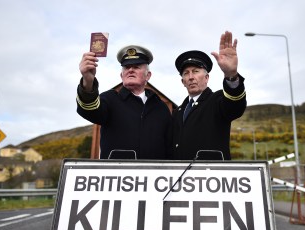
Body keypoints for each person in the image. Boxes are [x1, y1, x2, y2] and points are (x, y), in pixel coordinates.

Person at [76, 45, 172, 159]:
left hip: (154, 175)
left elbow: (170, 145)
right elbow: (89, 109)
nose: (130, 70)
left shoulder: (160, 107)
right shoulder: (109, 99)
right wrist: (88, 80)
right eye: (126, 67)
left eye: (136, 67)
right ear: (122, 75)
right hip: (115, 175)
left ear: (148, 75)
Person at [172, 31, 247, 160]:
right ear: (182, 81)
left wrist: (231, 75)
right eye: (186, 73)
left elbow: (235, 106)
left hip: (212, 177)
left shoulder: (217, 100)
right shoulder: (178, 111)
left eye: (195, 71)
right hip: (181, 177)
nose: (191, 77)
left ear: (206, 77)